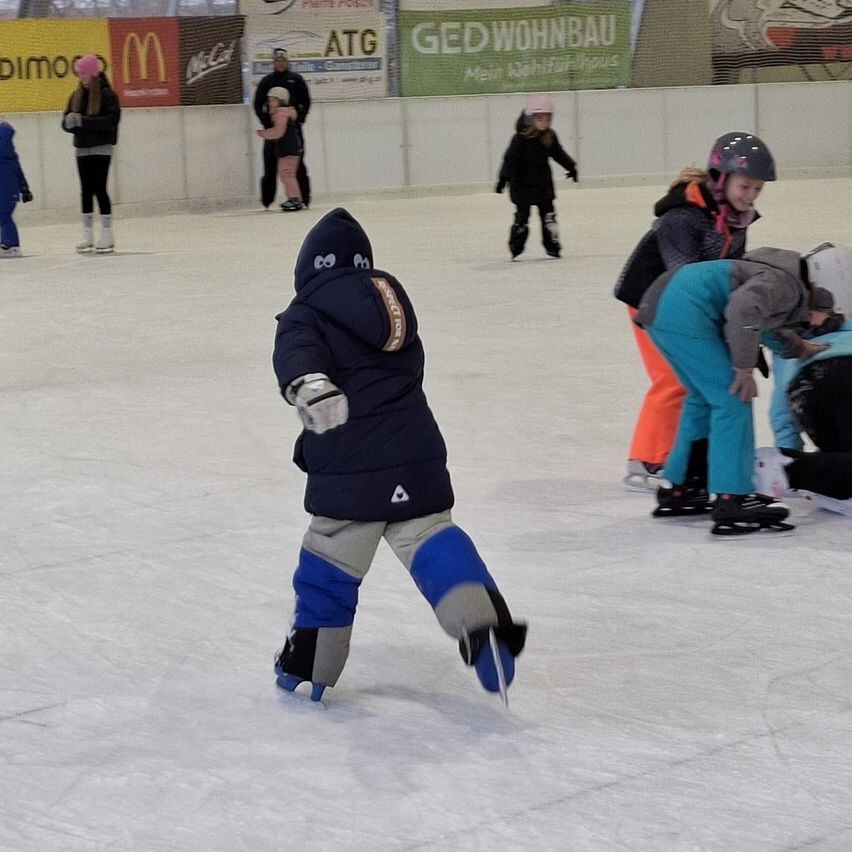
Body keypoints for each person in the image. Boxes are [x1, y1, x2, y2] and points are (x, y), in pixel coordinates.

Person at [271, 207, 527, 702]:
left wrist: (311, 385)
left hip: (348, 468)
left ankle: (311, 662)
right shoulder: (392, 310)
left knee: (330, 562)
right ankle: (483, 626)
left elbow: (297, 352)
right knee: (433, 539)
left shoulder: (303, 314)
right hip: (418, 459)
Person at [634, 245, 836, 535]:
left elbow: (762, 323)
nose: (821, 322)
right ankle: (732, 497)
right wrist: (743, 368)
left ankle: (681, 487)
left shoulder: (776, 276)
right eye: (826, 314)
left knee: (701, 399)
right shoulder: (787, 286)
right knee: (733, 398)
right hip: (686, 310)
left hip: (659, 306)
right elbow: (743, 310)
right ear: (821, 290)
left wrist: (799, 348)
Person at [615, 132, 776, 492]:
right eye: (745, 186)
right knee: (674, 377)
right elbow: (681, 277)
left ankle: (679, 458)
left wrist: (743, 332)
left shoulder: (738, 218)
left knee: (694, 378)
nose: (750, 196)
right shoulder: (683, 216)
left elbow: (731, 276)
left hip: (689, 307)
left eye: (756, 190)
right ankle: (646, 458)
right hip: (652, 301)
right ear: (722, 178)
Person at [753, 242, 852, 515]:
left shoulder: (790, 336)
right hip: (843, 378)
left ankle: (830, 482)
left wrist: (788, 446)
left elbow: (782, 408)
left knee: (842, 459)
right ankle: (786, 466)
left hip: (808, 395)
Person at [495, 94, 577, 259]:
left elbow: (558, 154)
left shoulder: (549, 136)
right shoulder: (520, 139)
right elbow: (510, 159)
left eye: (547, 119)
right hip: (522, 186)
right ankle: (516, 246)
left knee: (548, 218)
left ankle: (552, 246)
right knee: (521, 218)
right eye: (539, 118)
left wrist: (571, 167)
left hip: (543, 185)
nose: (544, 122)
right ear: (530, 118)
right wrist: (503, 179)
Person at [61, 54, 121, 254]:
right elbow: (66, 120)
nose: (81, 77)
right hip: (82, 149)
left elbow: (110, 121)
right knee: (85, 191)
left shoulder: (107, 95)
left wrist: (83, 121)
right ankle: (87, 234)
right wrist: (68, 123)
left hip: (101, 148)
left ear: (93, 73)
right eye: (79, 73)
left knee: (99, 189)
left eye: (84, 73)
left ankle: (107, 233)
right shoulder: (75, 95)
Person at [253, 47, 311, 210]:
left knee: (296, 166)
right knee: (270, 165)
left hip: (292, 132)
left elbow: (306, 102)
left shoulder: (296, 80)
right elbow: (258, 104)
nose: (280, 63)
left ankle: (303, 198)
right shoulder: (267, 81)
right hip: (273, 130)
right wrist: (267, 124)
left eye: (283, 60)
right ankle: (267, 201)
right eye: (277, 61)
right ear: (273, 62)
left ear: (287, 62)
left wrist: (299, 120)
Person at [255, 87, 303, 211]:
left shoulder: (281, 114)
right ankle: (293, 198)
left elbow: (278, 132)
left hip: (288, 150)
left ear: (280, 101)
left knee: (287, 174)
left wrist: (264, 134)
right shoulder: (284, 113)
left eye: (272, 100)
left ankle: (294, 199)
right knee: (285, 174)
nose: (270, 103)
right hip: (288, 149)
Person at [0, 120, 33, 258]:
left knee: (4, 215)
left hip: (6, 188)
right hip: (10, 187)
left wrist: (24, 188)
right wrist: (24, 188)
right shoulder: (10, 153)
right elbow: (17, 169)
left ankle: (12, 245)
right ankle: (8, 243)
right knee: (4, 215)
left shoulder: (5, 154)